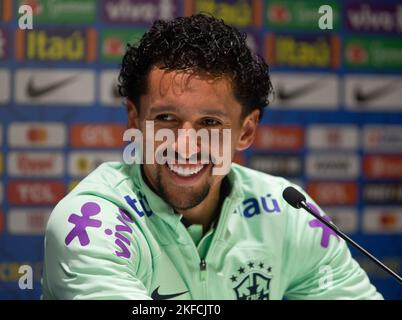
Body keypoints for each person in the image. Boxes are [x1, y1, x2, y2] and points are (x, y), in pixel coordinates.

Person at [42, 14, 382, 300]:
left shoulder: (290, 214)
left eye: (210, 123)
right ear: (135, 121)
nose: (186, 145)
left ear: (246, 131)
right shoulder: (89, 222)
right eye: (166, 119)